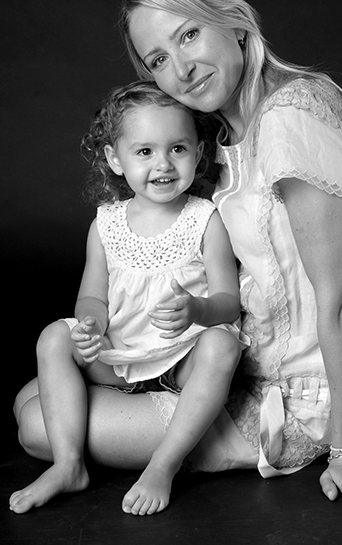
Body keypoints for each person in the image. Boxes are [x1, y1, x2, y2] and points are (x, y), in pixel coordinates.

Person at [12, 0, 342, 516]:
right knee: (31, 396)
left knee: (37, 423)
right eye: (157, 59)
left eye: (189, 34)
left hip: (285, 401)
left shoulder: (293, 116)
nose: (181, 68)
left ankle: (127, 458)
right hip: (227, 367)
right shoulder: (228, 134)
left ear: (234, 22)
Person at [9, 80, 246, 516]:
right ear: (115, 159)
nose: (163, 164)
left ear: (199, 153)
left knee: (223, 344)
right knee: (54, 336)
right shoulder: (106, 224)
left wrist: (198, 309)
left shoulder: (205, 220)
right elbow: (92, 297)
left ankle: (163, 465)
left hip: (180, 360)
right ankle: (68, 465)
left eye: (178, 148)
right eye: (145, 151)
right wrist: (90, 325)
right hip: (120, 359)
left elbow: (229, 302)